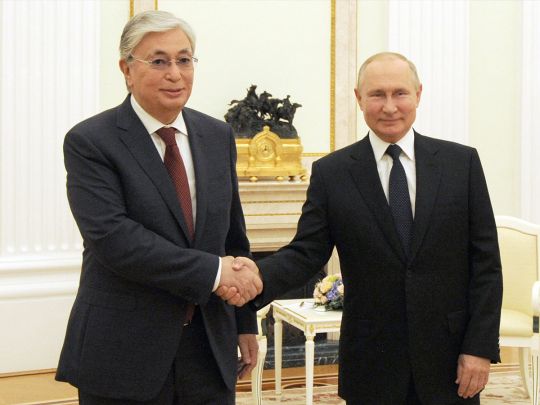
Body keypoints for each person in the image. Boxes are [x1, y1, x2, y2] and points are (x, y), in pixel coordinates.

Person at [221, 52, 503, 404]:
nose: (389, 106)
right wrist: (256, 277)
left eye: (400, 93)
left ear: (418, 94)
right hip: (372, 362)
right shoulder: (332, 173)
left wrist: (479, 347)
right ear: (359, 98)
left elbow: (486, 265)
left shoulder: (461, 164)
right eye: (377, 94)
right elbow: (306, 253)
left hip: (450, 360)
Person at [56, 10, 262, 405]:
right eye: (159, 61)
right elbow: (114, 239)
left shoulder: (217, 135)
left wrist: (243, 321)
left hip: (208, 350)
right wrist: (214, 271)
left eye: (184, 60)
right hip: (124, 351)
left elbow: (233, 236)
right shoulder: (90, 141)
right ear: (126, 69)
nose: (175, 74)